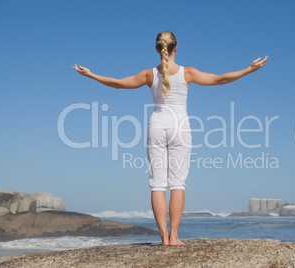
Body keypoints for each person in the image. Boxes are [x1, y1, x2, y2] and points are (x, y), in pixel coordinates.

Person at [72, 31, 268, 246]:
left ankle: (164, 237)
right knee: (178, 184)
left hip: (156, 126)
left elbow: (118, 84)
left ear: (157, 49)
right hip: (180, 127)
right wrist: (249, 70)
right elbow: (220, 80)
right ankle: (174, 237)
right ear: (176, 48)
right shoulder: (188, 72)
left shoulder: (149, 74)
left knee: (157, 185)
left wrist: (92, 75)